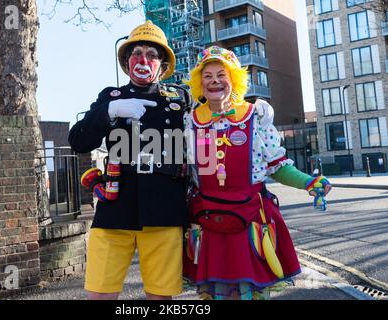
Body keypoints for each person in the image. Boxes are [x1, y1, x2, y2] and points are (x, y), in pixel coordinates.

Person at [182, 46, 332, 300]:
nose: (214, 80)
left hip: (250, 216)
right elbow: (183, 170)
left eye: (222, 74)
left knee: (249, 293)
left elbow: (277, 165)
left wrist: (308, 181)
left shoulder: (255, 116)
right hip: (208, 220)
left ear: (234, 79)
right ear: (200, 83)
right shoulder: (191, 120)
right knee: (212, 294)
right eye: (207, 76)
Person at [68, 21, 191, 300]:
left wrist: (244, 109)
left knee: (160, 298)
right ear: (126, 62)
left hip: (164, 208)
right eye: (136, 53)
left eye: (151, 54)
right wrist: (109, 112)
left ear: (162, 64)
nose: (143, 59)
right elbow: (78, 141)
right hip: (116, 207)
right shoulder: (111, 96)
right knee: (99, 294)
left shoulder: (181, 97)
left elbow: (210, 126)